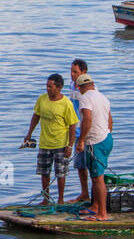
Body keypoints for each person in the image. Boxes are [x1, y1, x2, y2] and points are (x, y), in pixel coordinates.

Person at [22, 73, 79, 205]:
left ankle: (60, 199)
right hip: (45, 143)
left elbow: (72, 125)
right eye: (46, 86)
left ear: (59, 87)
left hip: (61, 143)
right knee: (44, 172)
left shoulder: (66, 104)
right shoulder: (42, 99)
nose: (47, 89)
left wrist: (70, 146)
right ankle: (46, 198)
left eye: (50, 86)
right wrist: (29, 133)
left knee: (61, 173)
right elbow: (36, 116)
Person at [73, 74, 113, 221]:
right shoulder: (103, 97)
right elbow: (110, 120)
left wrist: (81, 140)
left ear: (80, 87)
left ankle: (102, 213)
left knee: (97, 178)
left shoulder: (84, 98)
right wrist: (106, 134)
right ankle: (95, 205)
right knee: (96, 175)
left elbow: (87, 119)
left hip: (95, 141)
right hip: (106, 138)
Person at [68, 58, 91, 201]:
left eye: (75, 72)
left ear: (84, 72)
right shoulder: (72, 85)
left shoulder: (88, 89)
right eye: (71, 71)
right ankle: (84, 193)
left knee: (91, 165)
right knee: (79, 164)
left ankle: (93, 197)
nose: (72, 74)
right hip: (75, 130)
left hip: (86, 130)